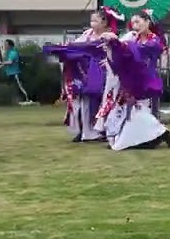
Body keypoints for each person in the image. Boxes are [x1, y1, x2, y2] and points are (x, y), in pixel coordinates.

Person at [97, 9, 170, 151]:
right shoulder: (133, 39)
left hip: (146, 83)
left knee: (141, 113)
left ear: (147, 22)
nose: (135, 25)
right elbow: (126, 56)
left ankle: (163, 133)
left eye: (138, 21)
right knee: (129, 113)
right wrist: (111, 51)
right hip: (131, 82)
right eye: (133, 22)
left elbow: (136, 51)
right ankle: (148, 138)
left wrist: (118, 43)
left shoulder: (154, 41)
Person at [43, 7, 123, 142]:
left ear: (104, 23)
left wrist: (106, 60)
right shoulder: (88, 33)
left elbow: (115, 53)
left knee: (103, 101)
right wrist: (62, 48)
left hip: (103, 74)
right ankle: (84, 131)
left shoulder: (110, 36)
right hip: (83, 73)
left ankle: (101, 131)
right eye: (91, 20)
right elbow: (75, 46)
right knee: (81, 103)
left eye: (95, 20)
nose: (92, 22)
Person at [0, 39, 33, 105]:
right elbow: (6, 62)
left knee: (20, 87)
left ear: (9, 45)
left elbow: (10, 62)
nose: (5, 46)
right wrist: (0, 65)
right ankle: (13, 101)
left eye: (6, 44)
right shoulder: (8, 53)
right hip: (9, 73)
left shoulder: (13, 53)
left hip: (15, 73)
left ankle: (27, 99)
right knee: (12, 87)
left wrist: (1, 63)